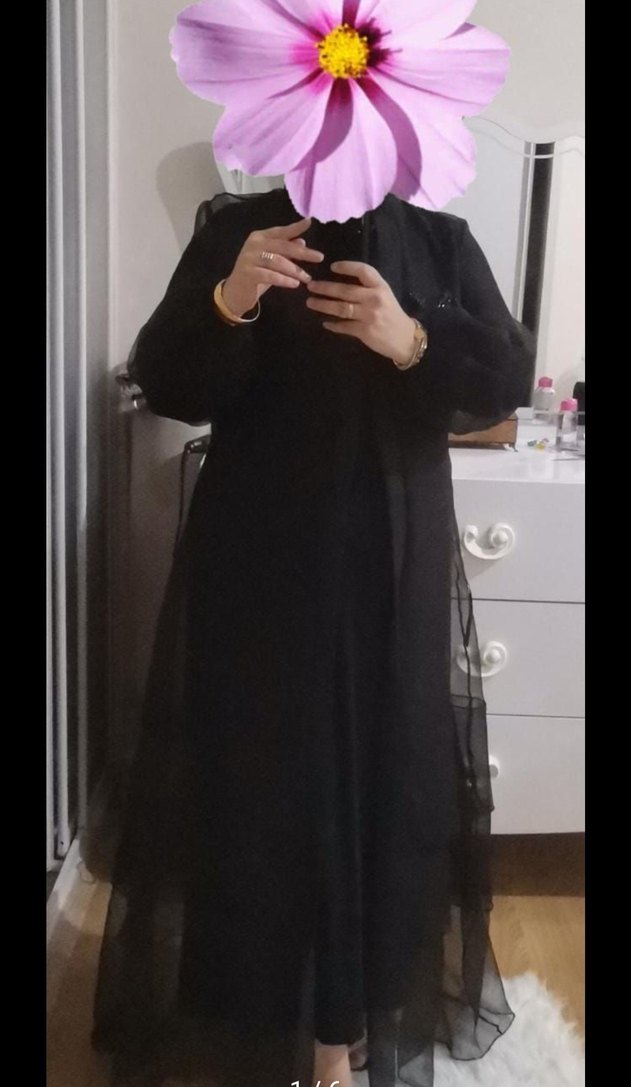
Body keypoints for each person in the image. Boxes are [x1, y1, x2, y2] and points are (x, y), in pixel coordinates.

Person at [91, 184, 536, 1087]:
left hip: (392, 555)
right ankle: (266, 1005)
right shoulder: (238, 227)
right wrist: (230, 300)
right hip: (259, 557)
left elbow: (501, 380)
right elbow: (168, 380)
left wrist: (410, 339)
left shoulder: (438, 240)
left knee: (383, 770)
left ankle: (353, 1008)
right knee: (262, 775)